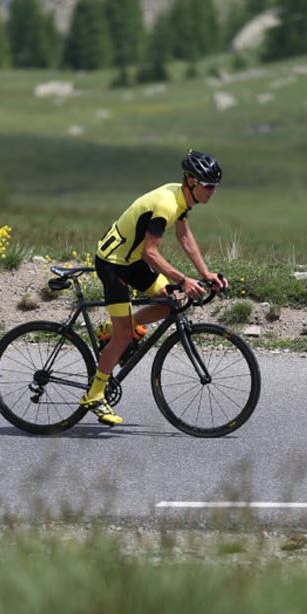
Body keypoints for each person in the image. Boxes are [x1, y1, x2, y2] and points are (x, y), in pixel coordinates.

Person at [80, 150, 228, 425]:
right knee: (125, 336)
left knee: (168, 300)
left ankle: (110, 332)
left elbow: (184, 236)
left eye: (214, 187)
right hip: (114, 264)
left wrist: (205, 273)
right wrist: (184, 279)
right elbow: (150, 252)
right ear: (192, 182)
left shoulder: (182, 198)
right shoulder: (167, 206)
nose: (212, 192)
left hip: (130, 259)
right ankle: (95, 392)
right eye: (208, 186)